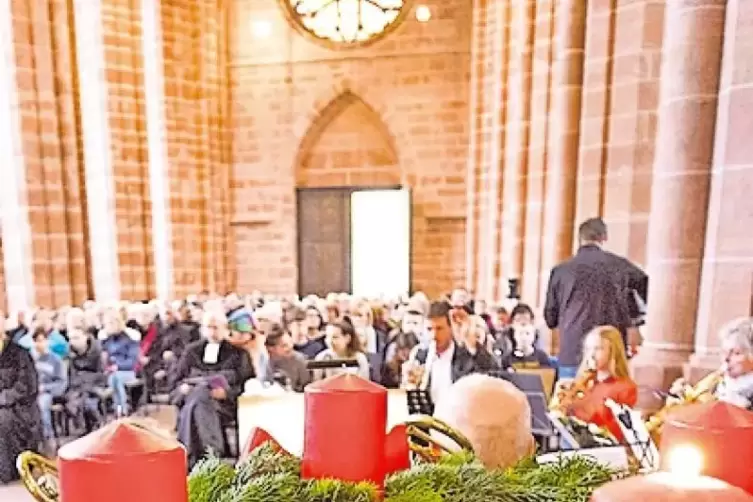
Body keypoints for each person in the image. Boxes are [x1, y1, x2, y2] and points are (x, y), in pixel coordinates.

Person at [543, 217, 648, 378]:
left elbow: (550, 318)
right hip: (610, 355)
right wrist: (633, 316)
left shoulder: (561, 271)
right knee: (608, 401)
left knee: (570, 400)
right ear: (604, 238)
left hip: (573, 352)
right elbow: (647, 288)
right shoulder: (621, 266)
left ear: (579, 239)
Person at [170, 310, 254, 468]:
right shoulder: (191, 351)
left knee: (198, 400)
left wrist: (227, 394)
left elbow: (247, 385)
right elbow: (176, 381)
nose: (212, 332)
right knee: (200, 395)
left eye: (216, 327)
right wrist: (183, 388)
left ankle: (189, 455)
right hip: (194, 400)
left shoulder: (239, 354)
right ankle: (212, 452)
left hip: (224, 404)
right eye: (208, 327)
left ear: (225, 328)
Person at [555, 326, 637, 442]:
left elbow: (616, 432)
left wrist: (585, 405)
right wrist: (566, 408)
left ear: (613, 352)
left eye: (598, 349)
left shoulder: (626, 387)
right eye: (589, 349)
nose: (591, 355)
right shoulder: (586, 381)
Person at [403, 301, 478, 406]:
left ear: (451, 328)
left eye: (439, 329)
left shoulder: (466, 356)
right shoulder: (420, 355)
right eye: (429, 329)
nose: (434, 335)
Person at [0, 320, 41, 484]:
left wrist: (3, 398)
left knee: (3, 419)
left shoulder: (19, 353)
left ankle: (7, 471)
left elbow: (26, 385)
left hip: (19, 406)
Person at [32, 328, 68, 451]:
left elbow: (62, 383)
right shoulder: (30, 360)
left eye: (42, 340)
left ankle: (47, 438)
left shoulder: (56, 360)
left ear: (47, 341)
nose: (39, 344)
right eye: (36, 341)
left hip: (48, 393)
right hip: (31, 392)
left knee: (42, 406)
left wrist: (45, 388)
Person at [100, 308, 141, 416]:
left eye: (111, 323)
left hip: (127, 371)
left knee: (116, 378)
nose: (108, 326)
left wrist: (117, 366)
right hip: (111, 372)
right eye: (107, 323)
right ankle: (118, 408)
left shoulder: (130, 339)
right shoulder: (105, 340)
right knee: (112, 378)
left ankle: (122, 408)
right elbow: (104, 358)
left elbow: (132, 361)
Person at [312, 317, 370, 381]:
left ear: (347, 338)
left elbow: (363, 383)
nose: (330, 341)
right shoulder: (322, 357)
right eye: (327, 337)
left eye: (335, 337)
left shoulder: (360, 358)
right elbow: (316, 383)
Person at [265, 324, 311, 391]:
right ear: (270, 348)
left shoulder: (299, 359)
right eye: (284, 345)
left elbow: (305, 387)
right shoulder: (263, 361)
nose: (290, 347)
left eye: (290, 342)